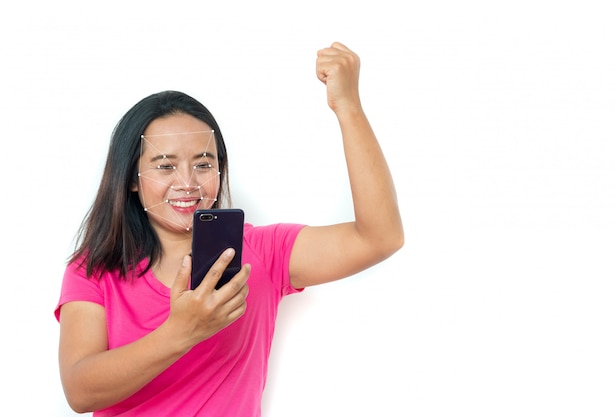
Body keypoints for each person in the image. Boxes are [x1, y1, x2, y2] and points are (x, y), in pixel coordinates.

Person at [55, 41, 404, 417]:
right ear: (132, 179)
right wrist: (181, 332)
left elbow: (380, 237)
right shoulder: (94, 268)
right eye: (164, 165)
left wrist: (347, 107)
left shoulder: (261, 252)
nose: (187, 182)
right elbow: (80, 390)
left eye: (203, 164)